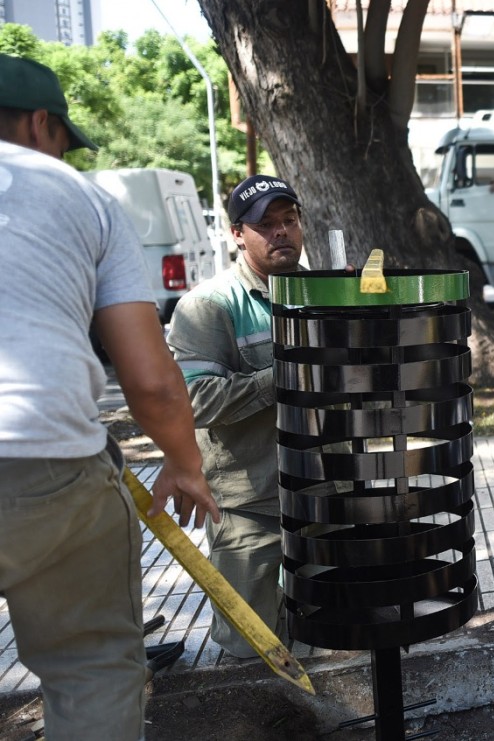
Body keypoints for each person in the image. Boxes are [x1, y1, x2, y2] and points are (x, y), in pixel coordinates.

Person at [0, 54, 219, 739]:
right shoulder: (84, 198)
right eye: (63, 135)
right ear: (41, 123)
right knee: (92, 664)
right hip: (45, 456)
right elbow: (150, 379)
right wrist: (184, 462)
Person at [166, 173, 306, 659]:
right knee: (250, 652)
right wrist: (288, 372)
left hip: (325, 501)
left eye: (289, 220)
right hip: (250, 509)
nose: (281, 232)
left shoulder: (324, 294)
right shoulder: (207, 306)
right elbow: (197, 402)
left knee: (332, 638)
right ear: (237, 235)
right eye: (265, 224)